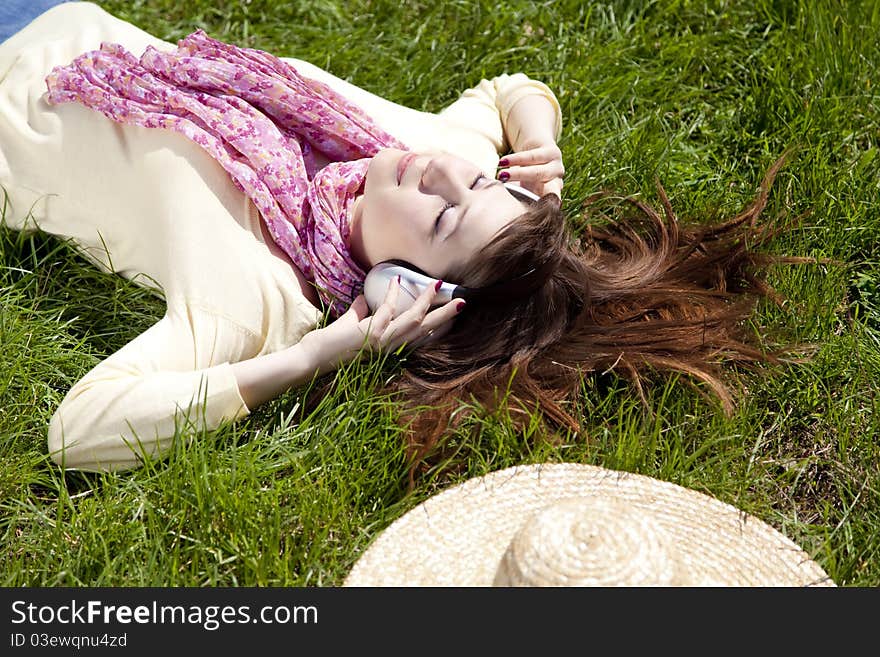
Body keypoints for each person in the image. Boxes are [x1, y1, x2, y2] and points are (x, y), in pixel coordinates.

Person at [0, 2, 792, 479]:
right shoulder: (397, 146)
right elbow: (505, 91)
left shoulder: (255, 296)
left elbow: (79, 432)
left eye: (449, 217)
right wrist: (540, 161)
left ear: (408, 290)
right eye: (480, 184)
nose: (445, 174)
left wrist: (314, 357)